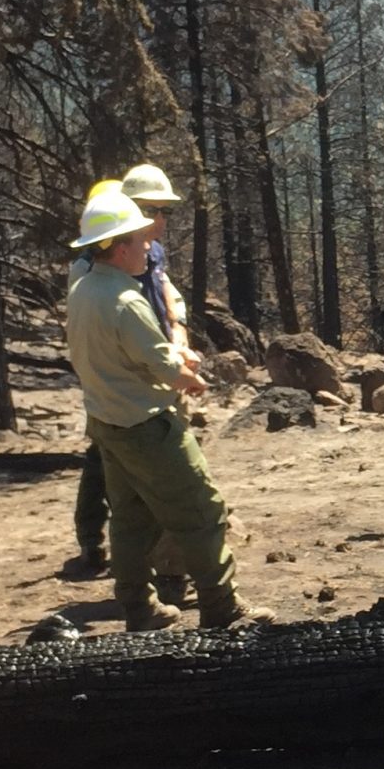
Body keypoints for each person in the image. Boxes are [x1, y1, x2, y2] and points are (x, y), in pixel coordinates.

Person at [65, 184, 255, 631]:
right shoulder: (126, 300)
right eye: (139, 238)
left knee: (132, 519)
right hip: (147, 424)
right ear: (119, 246)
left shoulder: (83, 288)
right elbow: (163, 365)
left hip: (108, 422)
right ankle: (222, 608)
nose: (148, 244)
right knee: (203, 509)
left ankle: (139, 608)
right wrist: (190, 376)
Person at [71, 165, 191, 579]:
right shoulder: (93, 266)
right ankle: (96, 543)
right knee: (108, 467)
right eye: (153, 209)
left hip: (156, 374)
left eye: (165, 211)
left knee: (127, 474)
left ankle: (157, 570)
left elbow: (167, 293)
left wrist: (178, 334)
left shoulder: (150, 251)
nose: (161, 220)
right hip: (120, 384)